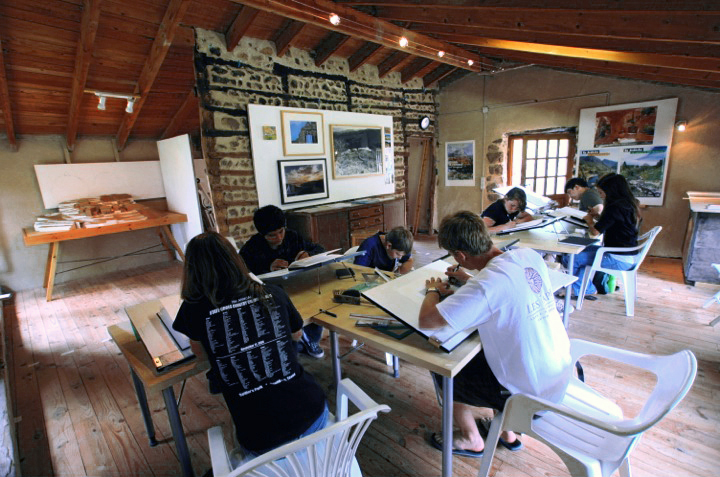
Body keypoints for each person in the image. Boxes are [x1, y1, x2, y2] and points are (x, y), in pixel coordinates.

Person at [419, 211, 571, 457]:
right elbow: (505, 289)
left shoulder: (485, 286)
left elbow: (427, 321)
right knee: (489, 357)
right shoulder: (528, 256)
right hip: (556, 375)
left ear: (460, 255)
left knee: (445, 369)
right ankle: (507, 433)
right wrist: (469, 279)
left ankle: (471, 438)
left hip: (530, 398)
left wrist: (433, 290)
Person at [172, 233, 328, 456]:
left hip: (262, 439)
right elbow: (297, 335)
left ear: (192, 269)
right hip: (313, 412)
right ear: (235, 259)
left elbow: (202, 357)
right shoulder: (272, 292)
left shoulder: (193, 309)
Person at [240, 205, 326, 358]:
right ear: (262, 234)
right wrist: (267, 267)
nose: (279, 238)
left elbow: (320, 248)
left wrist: (308, 254)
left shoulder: (293, 237)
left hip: (298, 285)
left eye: (281, 231)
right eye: (272, 235)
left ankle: (309, 340)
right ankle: (293, 344)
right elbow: (243, 274)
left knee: (317, 302)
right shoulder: (251, 248)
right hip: (271, 294)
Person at [562, 173, 640, 297]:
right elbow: (613, 222)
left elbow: (595, 232)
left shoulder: (614, 207)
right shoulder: (628, 204)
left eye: (601, 192)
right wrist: (597, 217)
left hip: (617, 258)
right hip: (629, 255)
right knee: (579, 252)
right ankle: (583, 287)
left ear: (611, 191)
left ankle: (586, 289)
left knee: (570, 258)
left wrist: (589, 220)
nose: (600, 195)